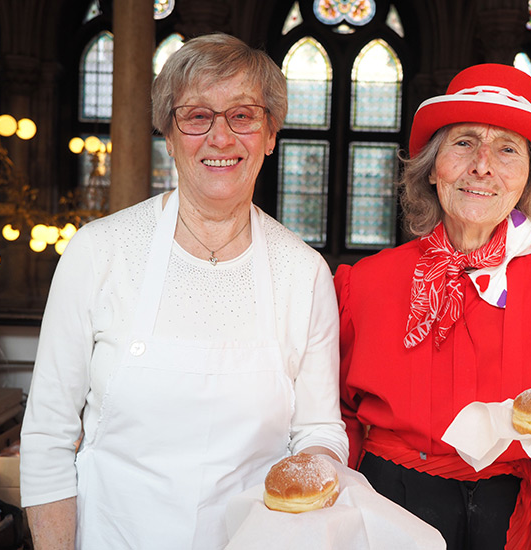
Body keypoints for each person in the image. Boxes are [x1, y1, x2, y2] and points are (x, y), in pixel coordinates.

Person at [20, 32, 348, 549]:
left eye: (243, 114)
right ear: (168, 135)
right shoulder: (99, 252)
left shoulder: (303, 273)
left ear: (270, 133)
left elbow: (318, 430)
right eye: (197, 117)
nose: (221, 138)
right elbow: (47, 438)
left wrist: (318, 468)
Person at [335, 63, 531, 550]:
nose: (482, 165)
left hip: (513, 514)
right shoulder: (364, 283)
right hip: (387, 506)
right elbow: (336, 416)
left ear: (529, 177)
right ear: (432, 166)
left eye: (507, 149)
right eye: (464, 142)